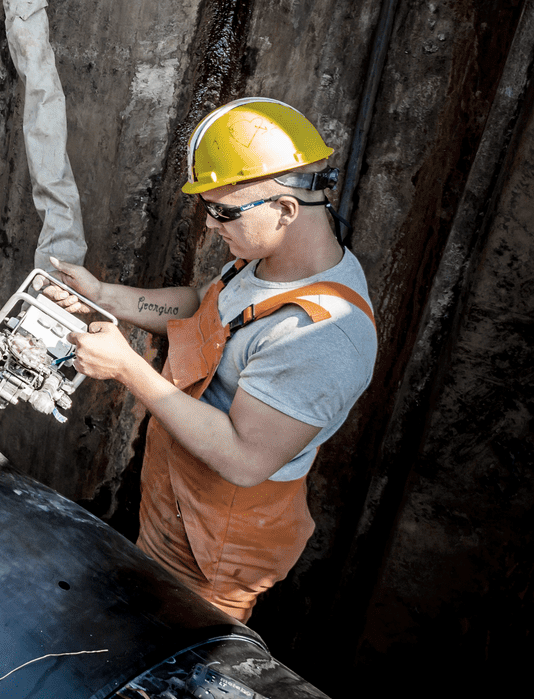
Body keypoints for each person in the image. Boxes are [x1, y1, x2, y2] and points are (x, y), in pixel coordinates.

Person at [47, 98, 376, 621]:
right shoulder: (267, 260)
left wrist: (126, 367)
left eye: (223, 212)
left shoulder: (321, 336)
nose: (211, 225)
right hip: (177, 500)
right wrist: (106, 296)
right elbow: (206, 310)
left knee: (167, 657)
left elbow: (246, 460)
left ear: (287, 209)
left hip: (217, 547)